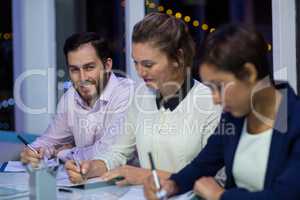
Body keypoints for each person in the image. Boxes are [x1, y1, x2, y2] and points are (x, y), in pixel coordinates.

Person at [143, 24, 300, 200]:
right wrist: (173, 184)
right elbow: (202, 165)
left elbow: (285, 195)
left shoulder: (294, 120)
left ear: (249, 73)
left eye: (219, 86)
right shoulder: (234, 117)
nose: (215, 99)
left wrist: (220, 196)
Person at [65, 13, 221, 185]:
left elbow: (215, 180)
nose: (140, 72)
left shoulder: (211, 102)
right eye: (135, 63)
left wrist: (146, 176)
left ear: (178, 58)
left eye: (148, 64)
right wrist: (90, 168)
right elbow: (118, 152)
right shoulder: (140, 96)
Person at [20, 32, 134, 167]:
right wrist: (32, 152)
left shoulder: (126, 93)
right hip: (84, 184)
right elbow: (49, 140)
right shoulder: (70, 98)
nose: (82, 78)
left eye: (89, 67)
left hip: (128, 185)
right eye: (74, 70)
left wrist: (62, 153)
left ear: (107, 65)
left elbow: (109, 152)